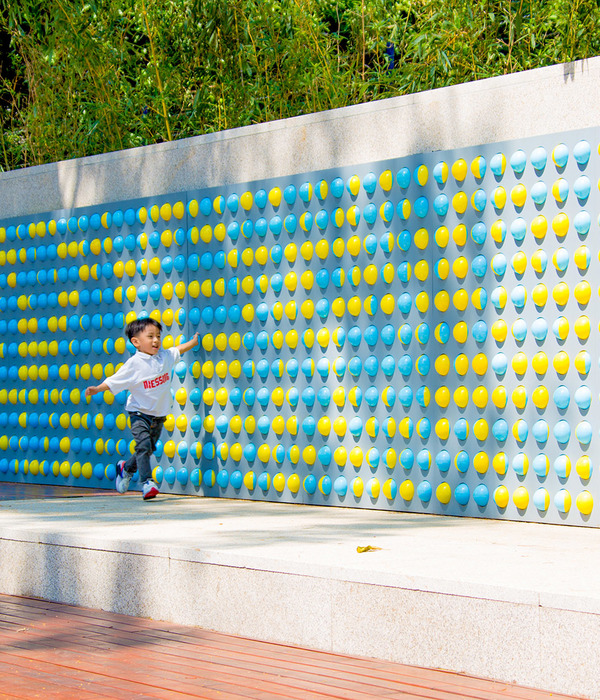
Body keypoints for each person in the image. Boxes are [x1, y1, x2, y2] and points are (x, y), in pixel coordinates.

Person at [84, 318, 199, 499]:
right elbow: (114, 379)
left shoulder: (165, 357)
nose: (156, 340)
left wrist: (193, 342)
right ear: (136, 342)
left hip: (159, 414)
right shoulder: (134, 364)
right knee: (143, 445)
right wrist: (97, 389)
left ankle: (126, 468)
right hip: (139, 413)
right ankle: (147, 482)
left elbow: (179, 349)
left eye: (158, 336)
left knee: (148, 448)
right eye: (150, 336)